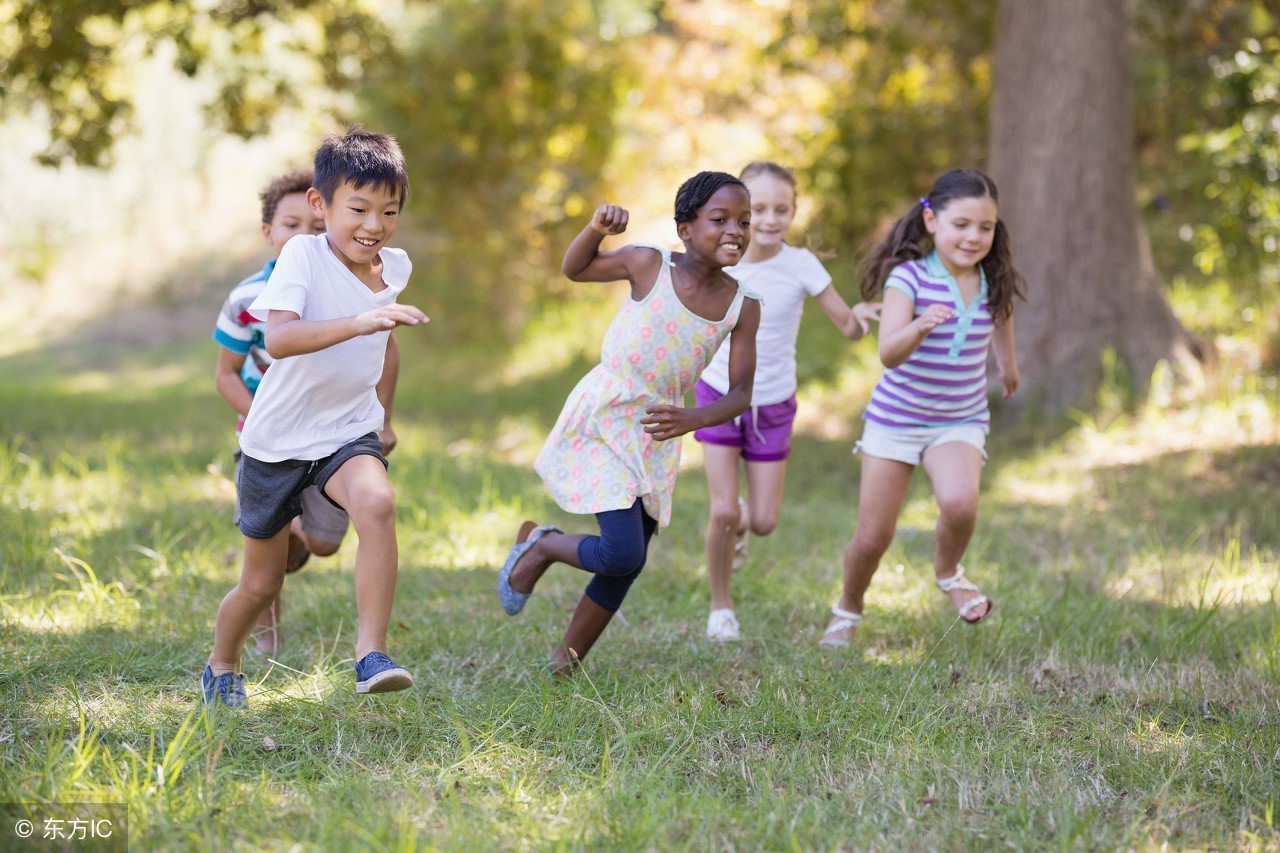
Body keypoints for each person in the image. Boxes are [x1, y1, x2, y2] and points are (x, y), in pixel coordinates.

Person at [496, 171, 762, 675]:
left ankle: (565, 662)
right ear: (685, 228)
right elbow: (576, 269)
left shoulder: (743, 305)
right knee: (620, 552)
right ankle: (544, 545)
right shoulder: (648, 263)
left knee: (630, 560)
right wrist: (595, 229)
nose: (736, 230)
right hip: (606, 414)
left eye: (744, 222)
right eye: (720, 219)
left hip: (657, 429)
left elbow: (742, 394)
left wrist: (695, 418)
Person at [202, 127, 428, 708]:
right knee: (261, 584)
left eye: (389, 211)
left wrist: (383, 415)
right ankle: (222, 665)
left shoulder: (393, 269)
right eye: (358, 208)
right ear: (320, 205)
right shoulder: (302, 254)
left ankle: (370, 654)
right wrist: (357, 323)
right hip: (275, 442)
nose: (373, 225)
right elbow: (278, 339)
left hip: (346, 431)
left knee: (377, 503)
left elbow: (385, 347)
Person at [820, 168, 1025, 647]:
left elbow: (1003, 322)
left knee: (960, 503)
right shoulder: (908, 278)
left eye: (985, 227)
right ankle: (848, 607)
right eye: (961, 225)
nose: (974, 237)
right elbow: (888, 353)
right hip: (896, 421)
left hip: (960, 417)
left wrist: (1009, 367)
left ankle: (949, 572)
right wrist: (918, 327)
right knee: (873, 537)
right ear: (931, 220)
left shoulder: (993, 279)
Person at [694, 162, 881, 642]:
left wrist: (861, 317)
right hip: (718, 393)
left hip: (772, 403)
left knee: (762, 521)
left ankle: (738, 522)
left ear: (795, 212)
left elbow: (847, 326)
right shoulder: (718, 259)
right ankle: (721, 608)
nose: (770, 219)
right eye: (758, 209)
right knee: (723, 511)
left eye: (782, 209)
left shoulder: (800, 265)